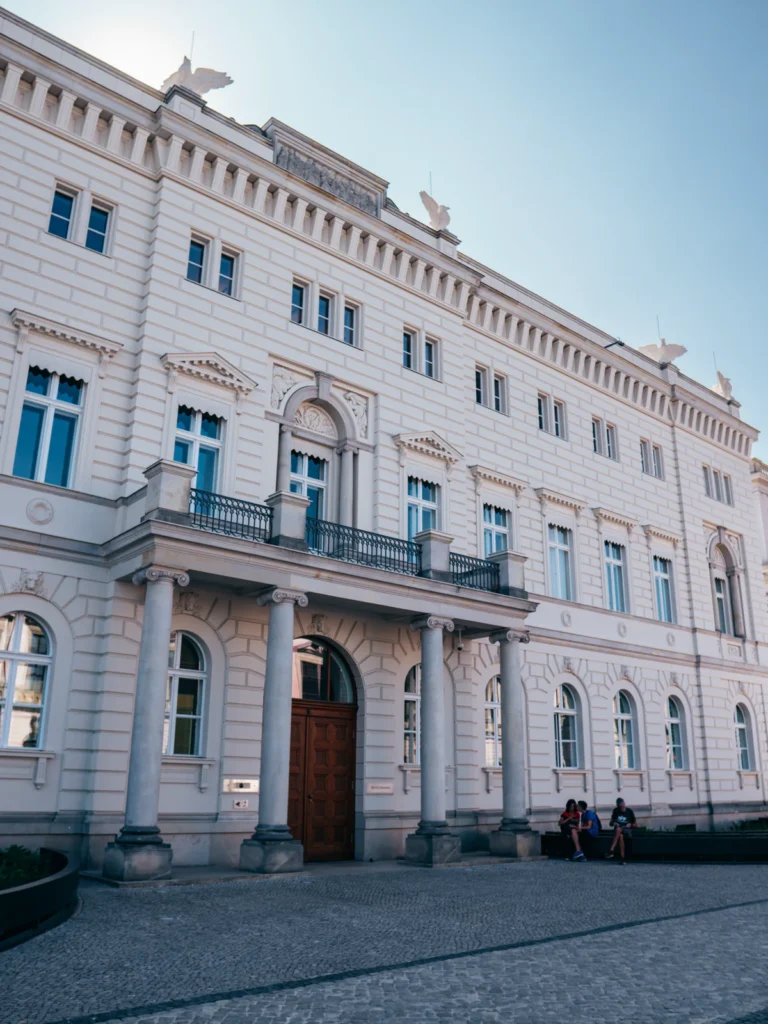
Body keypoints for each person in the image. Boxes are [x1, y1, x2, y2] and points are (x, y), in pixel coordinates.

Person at [606, 798, 636, 863]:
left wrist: (630, 824)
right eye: (620, 807)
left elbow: (635, 824)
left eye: (623, 807)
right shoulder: (616, 811)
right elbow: (610, 823)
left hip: (627, 831)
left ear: (624, 804)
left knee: (619, 830)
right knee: (621, 836)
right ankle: (622, 859)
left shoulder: (629, 811)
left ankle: (611, 849)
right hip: (618, 831)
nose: (622, 808)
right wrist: (614, 823)